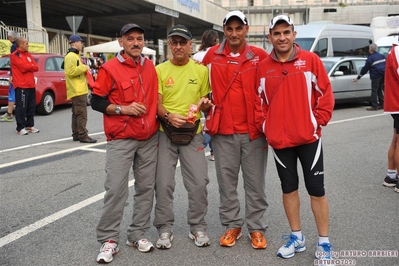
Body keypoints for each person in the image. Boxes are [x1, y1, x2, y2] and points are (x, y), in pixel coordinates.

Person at [255, 15, 335, 261]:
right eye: (277, 33)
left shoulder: (310, 60)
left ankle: (323, 242)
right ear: (270, 37)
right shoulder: (263, 67)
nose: (282, 37)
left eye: (286, 32)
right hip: (280, 141)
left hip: (309, 139)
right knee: (288, 189)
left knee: (316, 189)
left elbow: (325, 94)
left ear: (293, 34)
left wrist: (317, 122)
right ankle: (297, 237)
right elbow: (258, 103)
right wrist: (267, 127)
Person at [90, 23, 160, 263]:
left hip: (149, 138)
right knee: (116, 189)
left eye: (139, 38)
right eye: (130, 38)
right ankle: (109, 239)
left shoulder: (150, 67)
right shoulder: (109, 69)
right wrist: (124, 109)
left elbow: (155, 100)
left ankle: (137, 233)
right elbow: (96, 101)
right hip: (121, 138)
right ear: (121, 42)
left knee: (145, 189)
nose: (135, 43)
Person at [201, 10, 269, 249]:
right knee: (227, 183)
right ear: (224, 31)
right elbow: (200, 84)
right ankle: (232, 225)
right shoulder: (211, 55)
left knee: (255, 183)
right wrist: (204, 102)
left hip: (254, 132)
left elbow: (271, 90)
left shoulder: (260, 56)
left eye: (238, 28)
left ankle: (257, 227)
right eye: (229, 29)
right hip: (223, 131)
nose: (234, 33)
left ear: (246, 30)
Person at [153, 24, 212, 249]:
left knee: (199, 183)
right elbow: (157, 105)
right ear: (169, 45)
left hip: (193, 134)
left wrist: (205, 105)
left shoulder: (201, 70)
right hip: (165, 133)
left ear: (191, 46)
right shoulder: (159, 70)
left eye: (183, 43)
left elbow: (205, 102)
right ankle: (165, 229)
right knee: (164, 184)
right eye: (174, 42)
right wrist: (168, 116)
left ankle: (197, 227)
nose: (178, 47)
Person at [64, 34, 97, 143]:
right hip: (77, 89)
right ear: (75, 43)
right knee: (82, 114)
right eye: (80, 42)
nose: (82, 44)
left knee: (76, 113)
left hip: (77, 89)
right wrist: (84, 67)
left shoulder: (73, 55)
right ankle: (83, 135)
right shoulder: (71, 56)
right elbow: (71, 71)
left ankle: (76, 134)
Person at [193, 29, 219, 161]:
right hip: (213, 93)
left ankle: (213, 150)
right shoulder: (215, 53)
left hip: (200, 93)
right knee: (212, 122)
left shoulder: (196, 56)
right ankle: (201, 144)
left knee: (209, 120)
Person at [10, 37, 39, 135]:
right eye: (26, 43)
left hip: (31, 84)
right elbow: (23, 67)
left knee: (31, 106)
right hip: (21, 85)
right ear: (21, 44)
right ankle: (20, 128)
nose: (28, 45)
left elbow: (36, 67)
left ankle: (29, 125)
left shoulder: (28, 55)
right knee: (21, 107)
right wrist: (30, 66)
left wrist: (30, 66)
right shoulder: (15, 55)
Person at [382, 43, 399, 192]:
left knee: (396, 138)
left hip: (395, 103)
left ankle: (391, 175)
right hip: (398, 103)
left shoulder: (395, 49)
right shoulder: (398, 50)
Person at [353, 43, 386, 111]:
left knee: (374, 90)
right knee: (379, 90)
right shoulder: (382, 56)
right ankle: (382, 104)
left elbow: (365, 69)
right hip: (383, 75)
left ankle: (374, 106)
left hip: (375, 75)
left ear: (370, 50)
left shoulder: (370, 58)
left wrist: (359, 77)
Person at [0, 30, 18, 122]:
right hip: (20, 74)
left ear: (12, 37)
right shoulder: (19, 46)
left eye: (9, 37)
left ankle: (9, 114)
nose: (8, 38)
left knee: (12, 93)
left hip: (15, 74)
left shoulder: (14, 47)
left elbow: (13, 62)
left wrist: (11, 74)